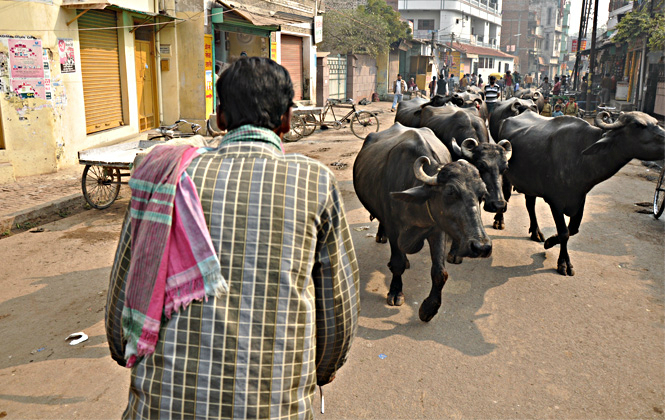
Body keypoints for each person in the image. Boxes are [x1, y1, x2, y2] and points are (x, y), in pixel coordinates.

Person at [106, 57, 361, 418]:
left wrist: (125, 350)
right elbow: (337, 319)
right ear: (287, 120)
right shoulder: (315, 182)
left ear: (221, 118)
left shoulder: (166, 176)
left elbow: (122, 312)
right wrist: (313, 375)